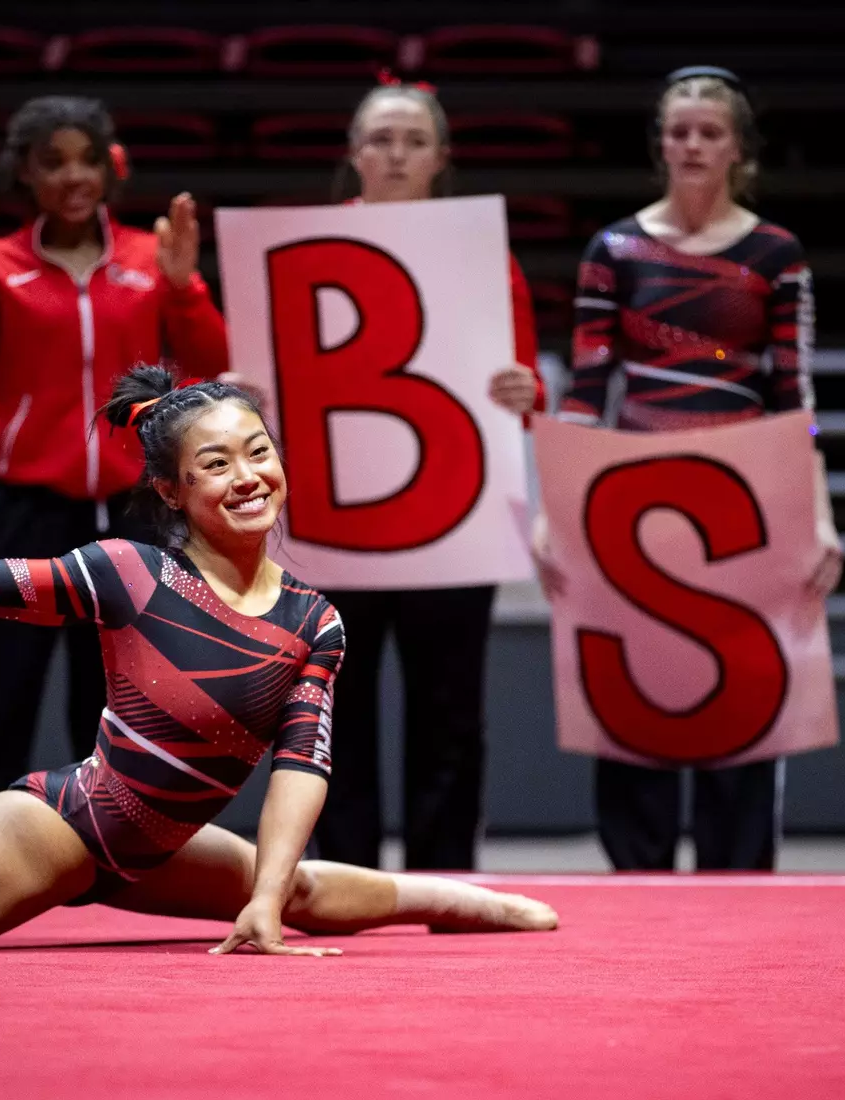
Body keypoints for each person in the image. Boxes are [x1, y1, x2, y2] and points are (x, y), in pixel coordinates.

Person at [0, 368, 557, 954]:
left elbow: (301, 764)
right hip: (64, 831)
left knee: (287, 890)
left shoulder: (313, 619)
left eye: (259, 451)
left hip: (160, 846)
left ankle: (461, 901)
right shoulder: (130, 573)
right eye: (215, 465)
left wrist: (261, 900)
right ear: (172, 492)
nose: (248, 476)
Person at [541, 66, 841, 873]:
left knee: (742, 694)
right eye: (679, 131)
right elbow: (588, 387)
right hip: (633, 502)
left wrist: (819, 514)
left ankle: (737, 879)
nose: (693, 144)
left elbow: (793, 395)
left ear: (738, 146)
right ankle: (636, 876)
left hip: (746, 503)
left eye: (710, 132)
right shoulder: (615, 248)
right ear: (660, 144)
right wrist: (553, 511)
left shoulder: (777, 253)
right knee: (636, 690)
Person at [0, 96, 231, 840]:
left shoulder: (148, 258)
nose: (72, 175)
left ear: (109, 167)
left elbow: (210, 365)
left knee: (123, 699)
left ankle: (123, 854)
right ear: (24, 171)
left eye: (86, 159)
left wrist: (185, 284)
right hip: (24, 506)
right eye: (52, 161)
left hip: (134, 509)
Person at [304, 75, 547, 872]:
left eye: (413, 140)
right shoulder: (300, 245)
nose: (396, 154)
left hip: (452, 518)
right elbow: (267, 368)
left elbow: (521, 383)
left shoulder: (483, 252)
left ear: (442, 157)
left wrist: (526, 389)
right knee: (337, 708)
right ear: (354, 153)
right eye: (381, 139)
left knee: (450, 710)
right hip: (339, 524)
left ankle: (444, 878)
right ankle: (342, 875)